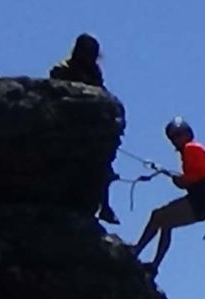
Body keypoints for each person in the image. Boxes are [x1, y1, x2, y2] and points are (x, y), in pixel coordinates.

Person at [130, 117, 205, 272]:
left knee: (157, 216)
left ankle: (136, 250)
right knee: (166, 222)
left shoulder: (191, 149)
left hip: (203, 199)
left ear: (187, 134)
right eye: (173, 137)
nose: (175, 140)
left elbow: (190, 180)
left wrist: (179, 180)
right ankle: (154, 265)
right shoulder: (195, 150)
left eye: (178, 135)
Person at [49, 34, 120, 225]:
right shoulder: (61, 70)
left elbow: (102, 92)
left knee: (104, 164)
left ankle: (105, 207)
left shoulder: (93, 72)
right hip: (65, 127)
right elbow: (56, 93)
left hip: (89, 129)